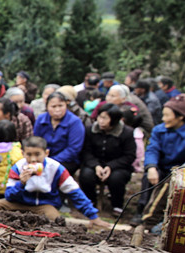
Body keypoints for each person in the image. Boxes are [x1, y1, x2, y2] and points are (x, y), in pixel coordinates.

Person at [0, 137, 110, 228]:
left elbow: (74, 192)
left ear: (46, 153)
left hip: (44, 205)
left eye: (37, 154)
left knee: (55, 220)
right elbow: (9, 195)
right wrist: (21, 184)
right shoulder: (18, 167)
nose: (33, 159)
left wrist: (93, 216)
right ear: (23, 153)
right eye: (29, 155)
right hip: (19, 203)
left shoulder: (56, 168)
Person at [79, 104, 136, 217]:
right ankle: (90, 201)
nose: (101, 121)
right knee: (86, 175)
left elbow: (129, 156)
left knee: (116, 178)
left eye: (105, 118)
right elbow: (86, 151)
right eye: (100, 117)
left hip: (118, 165)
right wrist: (96, 165)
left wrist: (111, 166)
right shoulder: (90, 130)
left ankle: (117, 204)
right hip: (95, 163)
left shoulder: (127, 133)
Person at [137, 95, 185, 229]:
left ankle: (151, 220)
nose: (163, 119)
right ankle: (140, 211)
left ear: (180, 116)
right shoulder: (159, 130)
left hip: (180, 173)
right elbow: (152, 149)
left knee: (169, 185)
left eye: (167, 115)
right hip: (161, 168)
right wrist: (151, 167)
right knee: (149, 177)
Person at [33, 91, 85, 175]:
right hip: (43, 158)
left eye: (60, 106)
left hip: (67, 161)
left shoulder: (75, 122)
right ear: (47, 107)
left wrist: (52, 161)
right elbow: (36, 140)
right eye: (53, 106)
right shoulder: (41, 119)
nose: (57, 109)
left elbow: (73, 149)